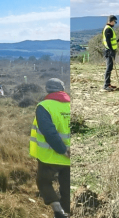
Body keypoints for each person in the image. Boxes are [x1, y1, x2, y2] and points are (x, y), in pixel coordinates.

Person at [29, 79, 71, 218]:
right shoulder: (70, 105)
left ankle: (58, 211)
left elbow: (49, 132)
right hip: (70, 158)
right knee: (66, 189)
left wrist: (62, 150)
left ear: (47, 90)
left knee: (43, 182)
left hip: (50, 156)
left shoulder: (44, 106)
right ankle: (66, 213)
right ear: (62, 89)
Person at [102, 15, 119, 91]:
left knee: (110, 67)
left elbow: (112, 40)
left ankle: (108, 84)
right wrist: (111, 50)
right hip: (109, 51)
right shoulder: (108, 29)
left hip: (110, 50)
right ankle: (106, 85)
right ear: (111, 21)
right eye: (114, 21)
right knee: (109, 68)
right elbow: (108, 41)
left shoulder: (109, 29)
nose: (115, 23)